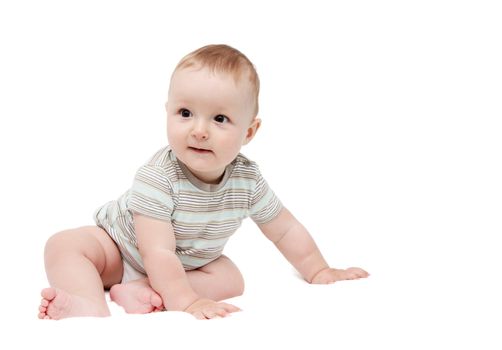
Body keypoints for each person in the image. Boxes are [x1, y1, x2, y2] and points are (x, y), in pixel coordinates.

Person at [38, 44, 369, 320]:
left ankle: (144, 293)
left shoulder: (247, 181)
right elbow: (157, 251)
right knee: (65, 245)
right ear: (168, 112)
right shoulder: (158, 176)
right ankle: (87, 303)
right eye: (185, 113)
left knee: (232, 278)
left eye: (220, 118)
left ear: (249, 132)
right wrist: (187, 301)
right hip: (121, 251)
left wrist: (318, 270)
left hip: (184, 265)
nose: (199, 130)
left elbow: (285, 230)